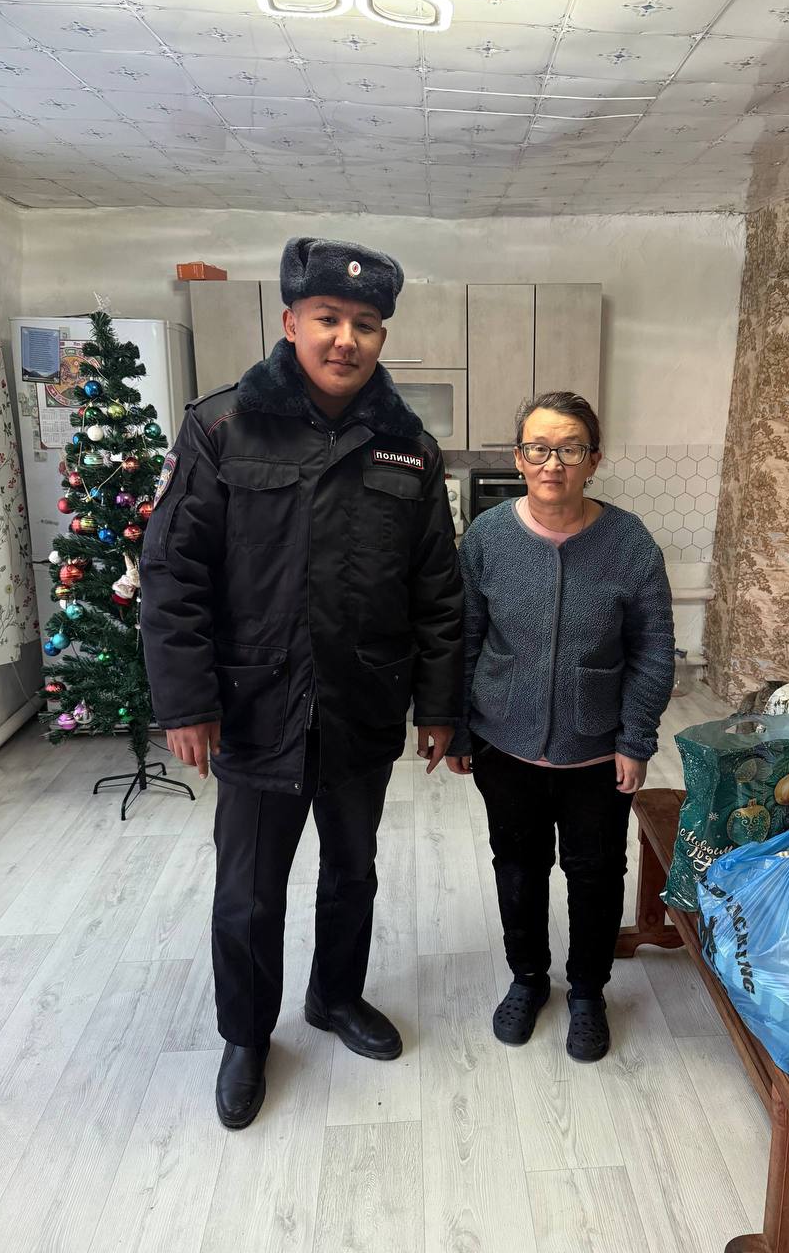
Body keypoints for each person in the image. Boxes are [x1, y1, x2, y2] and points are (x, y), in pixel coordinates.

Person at [140, 237, 463, 1129]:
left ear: (382, 336)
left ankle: (335, 996)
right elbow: (172, 574)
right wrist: (187, 703)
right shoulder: (222, 426)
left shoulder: (408, 448)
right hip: (255, 707)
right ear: (291, 323)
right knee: (248, 891)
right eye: (328, 318)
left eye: (366, 324)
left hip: (362, 703)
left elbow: (438, 590)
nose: (346, 339)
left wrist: (439, 705)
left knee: (352, 871)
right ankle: (247, 1034)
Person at [446, 392, 674, 1061]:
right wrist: (459, 728)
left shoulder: (629, 542)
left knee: (595, 873)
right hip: (504, 745)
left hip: (596, 753)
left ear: (593, 460)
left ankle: (587, 992)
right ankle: (527, 978)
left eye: (570, 449)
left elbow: (654, 648)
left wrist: (635, 738)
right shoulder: (487, 538)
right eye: (539, 448)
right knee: (518, 868)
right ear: (519, 458)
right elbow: (464, 636)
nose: (553, 463)